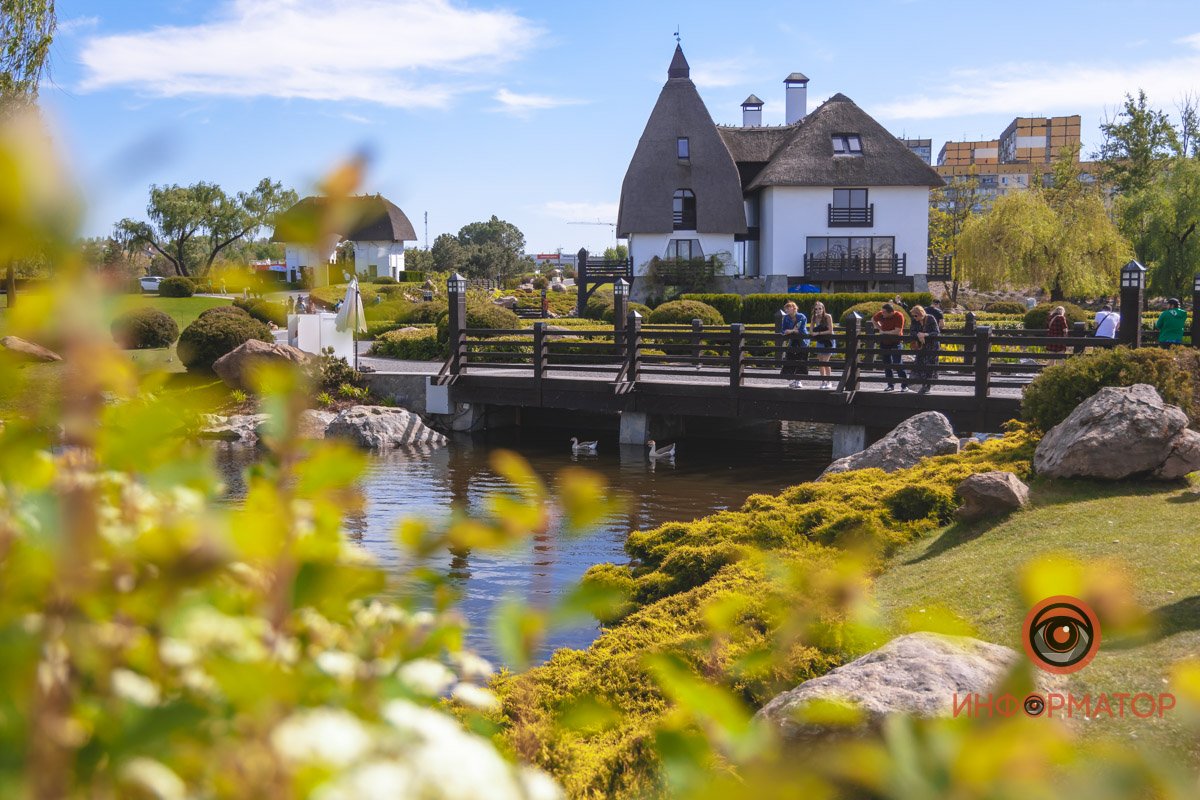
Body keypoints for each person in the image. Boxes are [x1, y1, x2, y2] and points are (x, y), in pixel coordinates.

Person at [872, 303, 908, 392]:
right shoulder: (881, 314)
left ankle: (904, 385)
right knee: (887, 364)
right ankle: (890, 384)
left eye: (884, 312)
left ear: (891, 312)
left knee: (897, 363)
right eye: (882, 312)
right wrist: (879, 328)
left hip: (896, 342)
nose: (882, 314)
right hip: (884, 342)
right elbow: (873, 319)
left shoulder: (899, 316)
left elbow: (897, 331)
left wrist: (884, 332)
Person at [909, 304, 940, 395]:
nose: (914, 317)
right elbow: (912, 332)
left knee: (930, 365)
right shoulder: (914, 321)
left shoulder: (930, 318)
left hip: (932, 346)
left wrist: (925, 334)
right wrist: (918, 334)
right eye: (913, 315)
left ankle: (927, 386)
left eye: (916, 315)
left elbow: (936, 332)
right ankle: (921, 384)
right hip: (921, 346)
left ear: (920, 313)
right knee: (919, 363)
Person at [779, 301, 809, 388]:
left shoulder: (801, 317)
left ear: (794, 308)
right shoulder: (786, 318)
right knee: (791, 359)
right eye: (786, 308)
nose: (787, 310)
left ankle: (798, 380)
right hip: (793, 342)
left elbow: (801, 330)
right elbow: (783, 330)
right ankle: (794, 379)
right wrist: (789, 331)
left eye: (788, 308)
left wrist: (790, 331)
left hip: (802, 342)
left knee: (801, 360)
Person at [809, 301, 835, 390]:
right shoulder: (814, 317)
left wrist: (818, 332)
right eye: (816, 309)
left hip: (828, 341)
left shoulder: (828, 316)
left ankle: (829, 381)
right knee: (820, 361)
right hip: (820, 341)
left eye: (820, 308)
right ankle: (823, 381)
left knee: (825, 361)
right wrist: (815, 333)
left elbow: (830, 331)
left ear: (823, 309)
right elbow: (811, 331)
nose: (818, 310)